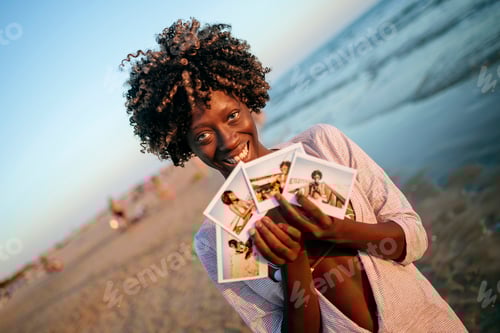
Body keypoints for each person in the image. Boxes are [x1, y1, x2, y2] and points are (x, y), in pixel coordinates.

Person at [121, 18, 467, 332]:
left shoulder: (323, 145)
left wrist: (339, 230)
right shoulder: (214, 240)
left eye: (232, 116)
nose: (228, 142)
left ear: (247, 102)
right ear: (186, 148)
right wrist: (292, 264)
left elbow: (414, 239)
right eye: (203, 136)